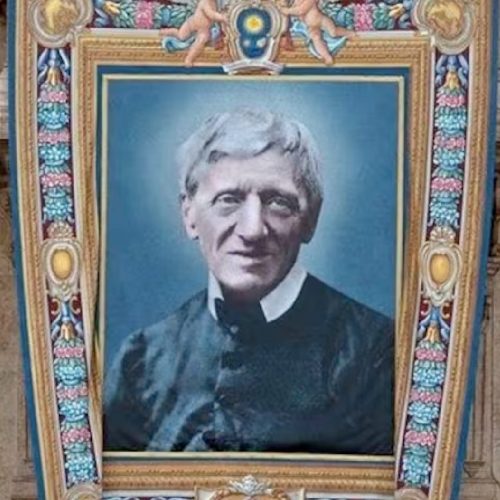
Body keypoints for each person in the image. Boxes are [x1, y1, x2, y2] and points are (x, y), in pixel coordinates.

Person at [104, 108, 394, 455]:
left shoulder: (376, 353)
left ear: (311, 218)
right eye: (228, 200)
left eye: (278, 202)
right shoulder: (141, 359)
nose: (252, 229)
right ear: (189, 214)